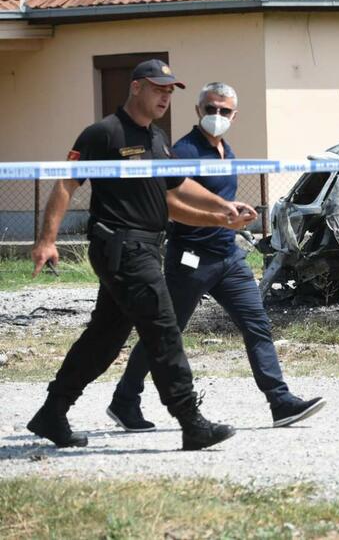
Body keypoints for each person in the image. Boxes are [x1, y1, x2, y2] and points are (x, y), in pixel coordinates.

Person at [29, 59, 257, 450]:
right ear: (136, 87)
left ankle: (52, 412)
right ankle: (191, 421)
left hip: (147, 246)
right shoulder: (104, 133)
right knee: (163, 329)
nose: (165, 97)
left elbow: (175, 191)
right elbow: (66, 183)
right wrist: (47, 240)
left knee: (104, 338)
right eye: (158, 89)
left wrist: (223, 210)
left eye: (169, 91)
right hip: (121, 246)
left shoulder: (157, 139)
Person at [107, 82, 325, 433]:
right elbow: (170, 205)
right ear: (198, 111)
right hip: (190, 258)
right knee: (166, 333)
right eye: (211, 109)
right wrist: (219, 218)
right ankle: (124, 399)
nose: (217, 116)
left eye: (225, 111)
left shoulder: (227, 151)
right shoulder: (184, 151)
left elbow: (220, 201)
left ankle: (281, 401)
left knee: (257, 325)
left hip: (229, 257)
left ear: (234, 116)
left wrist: (232, 214)